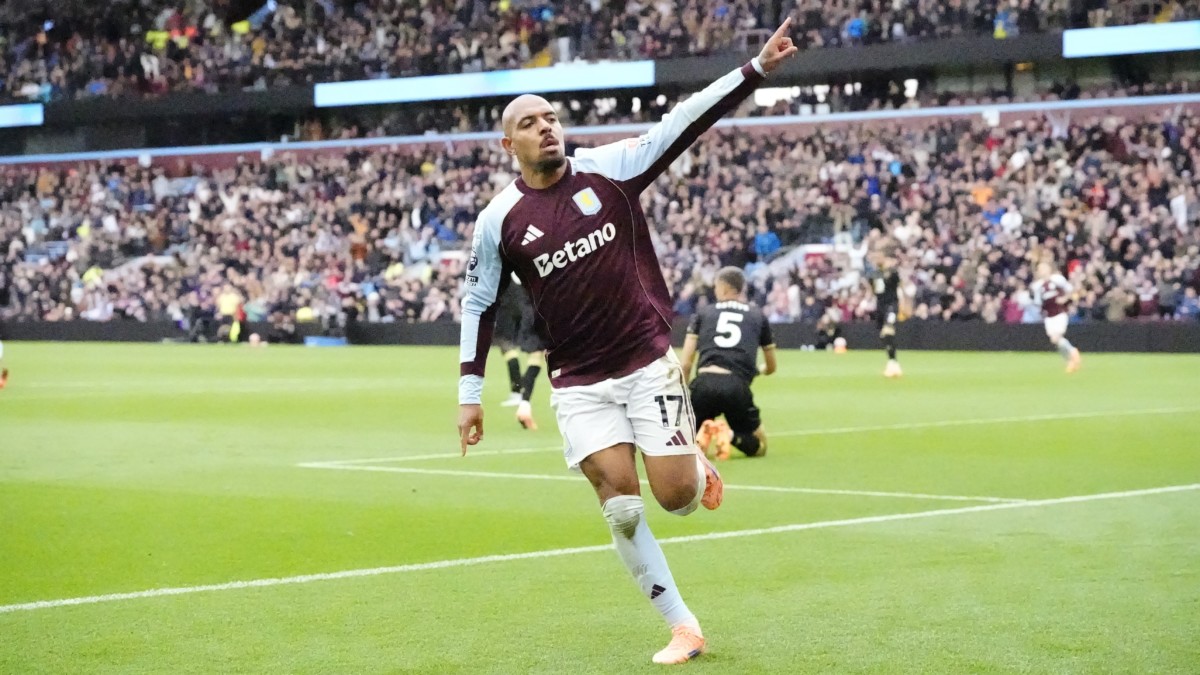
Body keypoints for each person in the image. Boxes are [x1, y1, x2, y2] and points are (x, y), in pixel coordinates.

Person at [456, 20, 798, 665]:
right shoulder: (497, 221)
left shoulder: (610, 171)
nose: (547, 127)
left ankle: (696, 465)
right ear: (508, 144)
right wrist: (470, 395)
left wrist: (753, 70)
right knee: (620, 509)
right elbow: (478, 304)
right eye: (531, 122)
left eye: (552, 117)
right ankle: (683, 626)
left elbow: (682, 123)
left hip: (647, 364)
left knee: (675, 500)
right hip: (579, 382)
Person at [679, 267, 777, 460]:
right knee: (760, 447)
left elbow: (686, 362)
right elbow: (772, 366)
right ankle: (729, 434)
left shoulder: (703, 313)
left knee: (683, 443)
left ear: (723, 289)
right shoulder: (757, 315)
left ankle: (699, 438)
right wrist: (762, 370)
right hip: (736, 387)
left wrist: (684, 393)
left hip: (704, 384)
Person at [492, 276, 547, 430]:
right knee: (536, 357)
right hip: (536, 310)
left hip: (524, 312)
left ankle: (519, 395)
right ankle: (523, 398)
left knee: (510, 349)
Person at [1031, 261, 1082, 372]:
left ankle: (1073, 352)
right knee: (1055, 340)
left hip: (1060, 313)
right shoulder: (1037, 286)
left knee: (1056, 337)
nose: (1041, 271)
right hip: (1049, 316)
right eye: (1039, 269)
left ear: (1049, 269)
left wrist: (1064, 299)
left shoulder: (1057, 279)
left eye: (1043, 268)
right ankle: (1070, 362)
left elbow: (1071, 290)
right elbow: (1038, 302)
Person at [869, 252, 903, 377]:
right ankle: (892, 361)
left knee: (888, 330)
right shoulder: (874, 275)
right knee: (884, 335)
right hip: (880, 307)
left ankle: (893, 362)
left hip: (891, 305)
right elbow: (875, 291)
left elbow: (898, 284)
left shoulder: (892, 273)